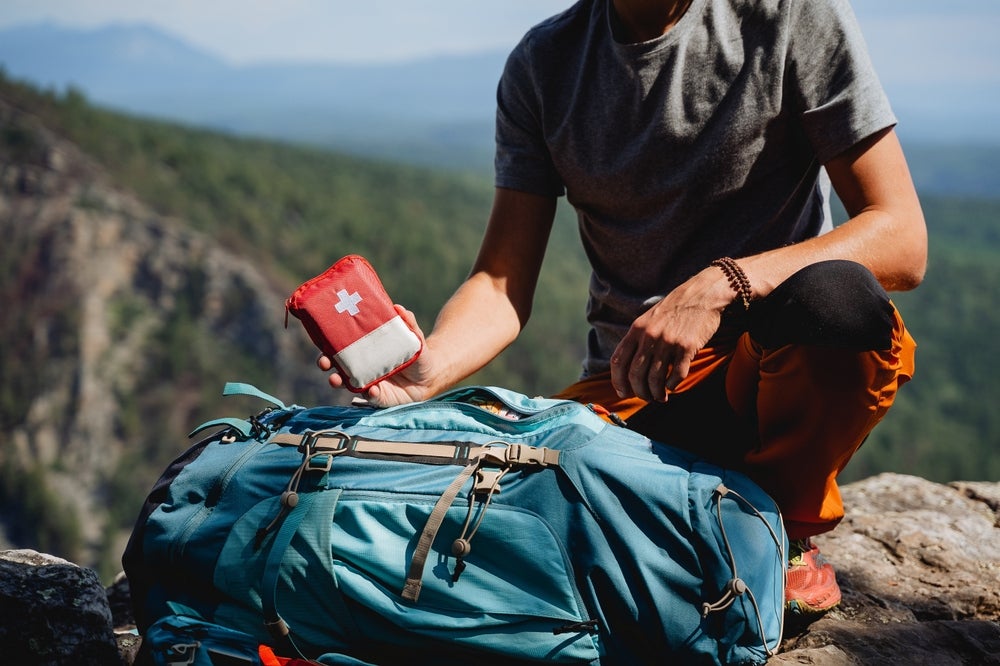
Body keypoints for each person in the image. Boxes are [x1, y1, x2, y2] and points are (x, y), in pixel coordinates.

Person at [319, 0, 926, 615]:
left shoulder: (792, 17)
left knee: (837, 303)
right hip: (628, 395)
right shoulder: (545, 64)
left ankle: (779, 525)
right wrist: (431, 369)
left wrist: (722, 283)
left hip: (765, 379)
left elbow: (901, 235)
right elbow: (502, 281)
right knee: (450, 546)